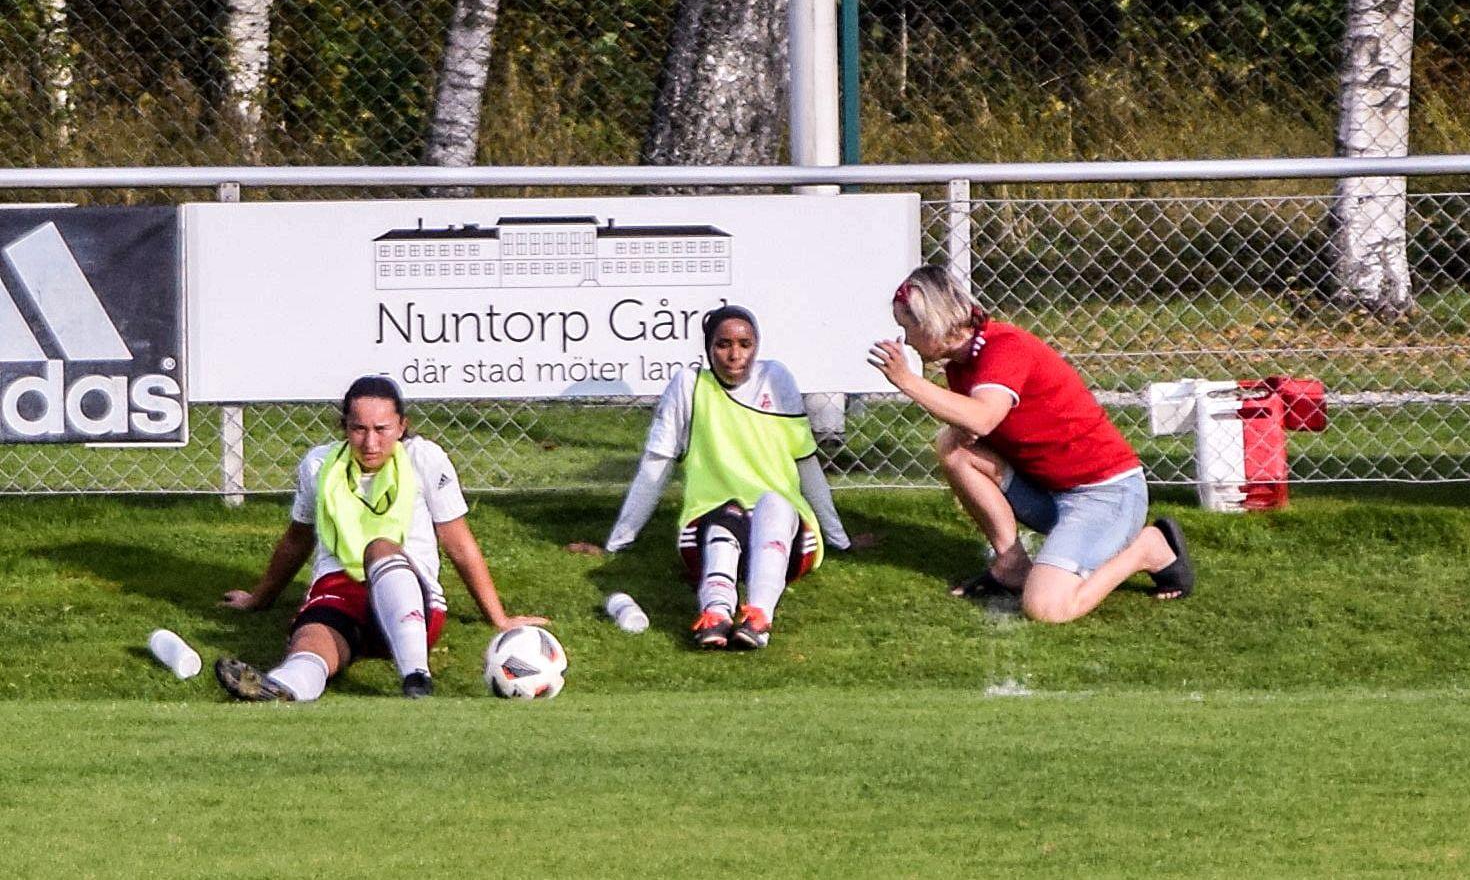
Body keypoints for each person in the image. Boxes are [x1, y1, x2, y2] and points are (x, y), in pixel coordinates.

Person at [867, 265, 1193, 623]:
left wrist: (906, 382)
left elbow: (983, 417)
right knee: (952, 445)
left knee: (1046, 608)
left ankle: (1147, 548)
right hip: (1052, 494)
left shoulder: (1005, 348)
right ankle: (1011, 565)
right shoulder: (961, 365)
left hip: (1106, 495)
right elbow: (977, 427)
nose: (906, 339)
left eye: (908, 327)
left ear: (932, 321)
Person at [216, 375, 546, 701]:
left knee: (379, 546)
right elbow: (297, 540)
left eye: (381, 429)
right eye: (359, 429)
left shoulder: (424, 458)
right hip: (340, 593)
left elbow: (458, 543)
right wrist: (258, 598)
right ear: (344, 426)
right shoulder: (318, 464)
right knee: (310, 641)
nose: (370, 443)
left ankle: (416, 675)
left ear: (402, 426)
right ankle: (283, 688)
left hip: (411, 602)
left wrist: (498, 618)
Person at [569, 305, 869, 650]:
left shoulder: (777, 379)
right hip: (708, 531)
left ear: (757, 346)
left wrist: (839, 539)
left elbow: (806, 464)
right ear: (708, 348)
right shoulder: (688, 385)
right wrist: (616, 543)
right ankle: (715, 615)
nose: (734, 355)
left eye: (745, 344)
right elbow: (655, 469)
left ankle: (758, 618)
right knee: (723, 519)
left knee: (773, 503)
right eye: (723, 345)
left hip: (785, 536)